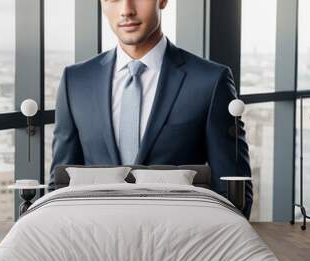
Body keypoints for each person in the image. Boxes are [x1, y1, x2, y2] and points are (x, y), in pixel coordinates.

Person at [49, 0, 253, 218]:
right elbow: (61, 183)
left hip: (180, 241)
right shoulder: (76, 81)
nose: (126, 10)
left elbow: (232, 189)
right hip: (93, 240)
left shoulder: (210, 81)